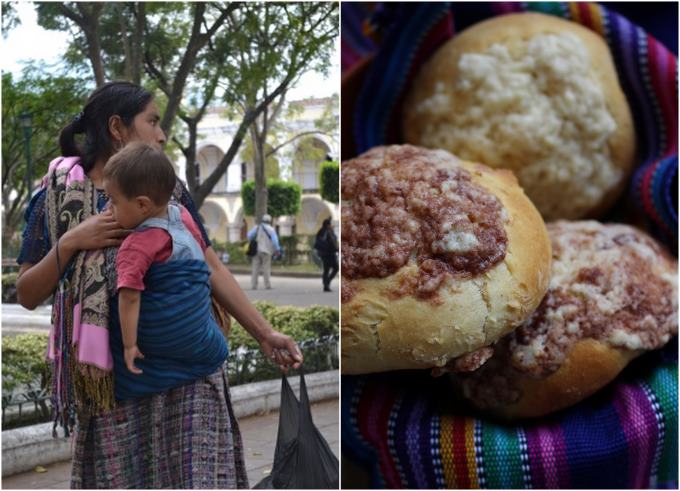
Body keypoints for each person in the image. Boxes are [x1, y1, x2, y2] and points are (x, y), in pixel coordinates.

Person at [15, 81, 302, 489]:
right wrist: (73, 240)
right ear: (118, 127)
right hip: (114, 386)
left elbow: (210, 266)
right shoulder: (56, 196)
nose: (162, 134)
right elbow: (27, 294)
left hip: (190, 376)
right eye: (152, 121)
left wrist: (265, 333)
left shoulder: (168, 189)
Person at [102, 142, 228, 400]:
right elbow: (202, 266)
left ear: (142, 205)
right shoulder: (183, 217)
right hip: (200, 336)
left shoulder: (135, 246)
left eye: (113, 201)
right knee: (212, 345)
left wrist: (129, 345)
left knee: (118, 342)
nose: (109, 209)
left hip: (161, 338)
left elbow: (130, 296)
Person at [247, 214, 281, 290]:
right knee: (266, 268)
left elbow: (249, 235)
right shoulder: (271, 229)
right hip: (267, 251)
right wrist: (277, 249)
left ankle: (254, 285)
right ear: (269, 221)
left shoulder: (257, 227)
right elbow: (275, 241)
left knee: (255, 268)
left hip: (257, 251)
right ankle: (267, 285)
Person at [314, 218, 339, 292]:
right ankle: (326, 283)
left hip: (324, 254)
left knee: (327, 270)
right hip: (329, 253)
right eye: (330, 224)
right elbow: (332, 242)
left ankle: (326, 284)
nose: (331, 225)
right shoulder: (326, 231)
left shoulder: (322, 231)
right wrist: (337, 249)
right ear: (328, 225)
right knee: (335, 268)